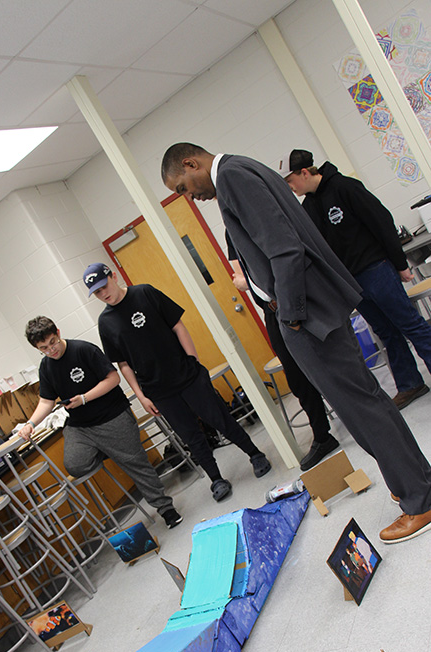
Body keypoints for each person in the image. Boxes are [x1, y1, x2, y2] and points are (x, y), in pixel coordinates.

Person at [160, 142, 431, 543]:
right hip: (314, 306)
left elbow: (285, 249)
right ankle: (416, 480)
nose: (189, 197)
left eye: (183, 186)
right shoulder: (245, 166)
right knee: (366, 400)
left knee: (361, 408)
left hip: (306, 313)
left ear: (190, 163)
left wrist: (289, 313)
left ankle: (419, 500)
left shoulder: (232, 177)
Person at [84, 262, 271, 503]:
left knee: (219, 418)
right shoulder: (105, 322)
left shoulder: (145, 293)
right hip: (158, 389)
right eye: (97, 293)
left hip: (187, 374)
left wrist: (193, 361)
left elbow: (177, 326)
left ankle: (255, 454)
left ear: (114, 276)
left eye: (104, 286)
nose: (103, 294)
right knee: (190, 435)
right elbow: (123, 364)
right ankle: (216, 479)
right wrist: (141, 396)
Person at [280, 149, 431, 410]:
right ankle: (410, 384)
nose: (291, 188)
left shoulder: (345, 187)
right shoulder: (308, 208)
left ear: (304, 173)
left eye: (291, 181)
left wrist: (399, 263)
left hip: (376, 268)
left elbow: (381, 221)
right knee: (386, 332)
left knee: (409, 323)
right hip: (352, 283)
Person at [20, 316, 182, 529]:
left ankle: (166, 510)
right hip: (81, 427)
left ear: (58, 332)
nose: (52, 350)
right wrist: (31, 423)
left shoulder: (84, 350)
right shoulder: (46, 366)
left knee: (137, 465)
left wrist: (84, 398)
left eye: (53, 343)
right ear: (37, 348)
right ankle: (110, 449)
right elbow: (46, 400)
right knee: (75, 464)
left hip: (112, 416)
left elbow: (113, 379)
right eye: (44, 348)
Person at [226, 230, 338, 471]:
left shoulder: (258, 217)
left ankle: (357, 414)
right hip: (272, 311)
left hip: (298, 299)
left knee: (330, 359)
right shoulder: (231, 232)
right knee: (297, 379)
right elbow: (239, 275)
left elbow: (250, 276)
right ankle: (323, 435)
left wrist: (247, 280)